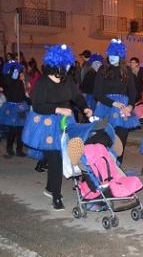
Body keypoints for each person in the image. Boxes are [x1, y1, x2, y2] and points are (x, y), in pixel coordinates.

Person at [22, 44, 93, 210]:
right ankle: (56, 196)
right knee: (55, 159)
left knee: (66, 156)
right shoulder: (43, 82)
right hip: (47, 125)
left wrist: (85, 108)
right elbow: (37, 105)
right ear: (56, 66)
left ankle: (49, 188)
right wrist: (57, 109)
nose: (67, 69)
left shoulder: (67, 81)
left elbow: (77, 96)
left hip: (66, 122)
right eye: (65, 67)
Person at [94, 39, 139, 164]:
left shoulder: (127, 70)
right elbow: (97, 93)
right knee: (105, 138)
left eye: (116, 55)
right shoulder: (102, 70)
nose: (113, 57)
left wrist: (130, 105)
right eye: (111, 54)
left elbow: (133, 91)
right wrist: (113, 103)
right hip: (106, 108)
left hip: (123, 110)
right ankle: (105, 167)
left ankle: (118, 166)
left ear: (121, 56)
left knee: (121, 139)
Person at [0, 60, 29, 157]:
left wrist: (29, 100)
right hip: (12, 108)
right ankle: (9, 148)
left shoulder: (19, 82)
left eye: (18, 71)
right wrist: (12, 77)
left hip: (21, 107)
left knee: (21, 129)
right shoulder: (7, 80)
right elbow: (6, 85)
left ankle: (19, 150)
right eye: (15, 71)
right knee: (12, 130)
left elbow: (22, 95)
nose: (18, 72)